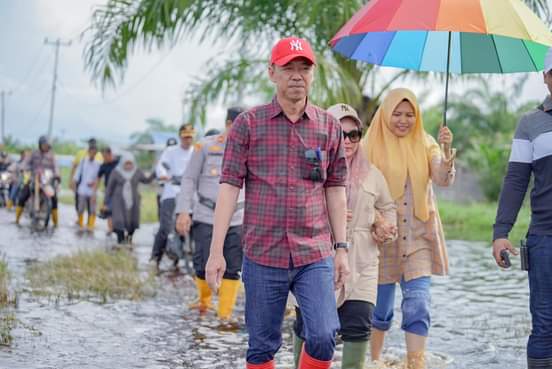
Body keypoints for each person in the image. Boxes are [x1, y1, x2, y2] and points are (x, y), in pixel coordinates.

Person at [205, 37, 350, 369]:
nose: (297, 75)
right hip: (262, 253)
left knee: (324, 334)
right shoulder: (248, 125)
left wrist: (341, 248)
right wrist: (216, 252)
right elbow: (229, 187)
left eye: (304, 68)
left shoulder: (329, 127)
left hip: (313, 252)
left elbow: (336, 188)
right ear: (272, 72)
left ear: (313, 75)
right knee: (261, 346)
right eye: (288, 68)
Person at [292, 103, 397, 369]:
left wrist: (383, 226)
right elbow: (291, 207)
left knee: (359, 324)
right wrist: (326, 212)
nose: (347, 140)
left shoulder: (372, 174)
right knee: (310, 327)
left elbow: (388, 210)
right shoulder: (310, 166)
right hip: (316, 260)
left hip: (362, 262)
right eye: (340, 132)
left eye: (354, 134)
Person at [363, 88, 455, 369]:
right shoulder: (369, 146)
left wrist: (447, 154)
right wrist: (377, 220)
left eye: (410, 115)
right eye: (397, 114)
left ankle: (416, 364)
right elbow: (359, 191)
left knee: (418, 304)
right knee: (380, 311)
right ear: (385, 114)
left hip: (418, 238)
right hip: (379, 240)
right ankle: (375, 361)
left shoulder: (427, 143)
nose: (403, 120)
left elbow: (441, 177)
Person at [492, 49, 552, 369]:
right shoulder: (530, 124)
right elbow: (515, 181)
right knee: (544, 324)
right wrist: (501, 233)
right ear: (546, 78)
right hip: (545, 239)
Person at [175, 107, 245, 320]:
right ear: (229, 124)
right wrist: (183, 211)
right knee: (203, 260)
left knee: (233, 265)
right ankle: (204, 303)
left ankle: (225, 314)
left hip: (237, 217)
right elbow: (189, 179)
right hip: (207, 214)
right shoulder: (204, 147)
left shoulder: (253, 147)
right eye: (239, 126)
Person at [150, 124, 195, 270]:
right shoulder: (170, 152)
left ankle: (189, 259)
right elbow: (160, 166)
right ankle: (155, 258)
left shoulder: (196, 152)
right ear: (180, 137)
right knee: (165, 227)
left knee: (191, 228)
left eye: (190, 137)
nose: (188, 140)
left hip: (189, 195)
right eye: (185, 137)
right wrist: (163, 174)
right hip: (171, 192)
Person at [105, 152, 152, 245]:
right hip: (118, 201)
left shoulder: (137, 171)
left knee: (132, 222)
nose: (128, 166)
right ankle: (120, 242)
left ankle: (129, 239)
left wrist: (155, 173)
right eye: (126, 163)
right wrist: (106, 202)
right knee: (119, 221)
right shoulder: (116, 172)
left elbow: (146, 181)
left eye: (130, 163)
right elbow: (109, 188)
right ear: (122, 163)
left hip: (133, 201)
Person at [16, 135, 60, 226]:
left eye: (47, 145)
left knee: (54, 198)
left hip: (46, 181)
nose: (46, 147)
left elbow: (56, 167)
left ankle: (56, 223)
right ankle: (17, 219)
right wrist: (22, 168)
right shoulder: (33, 154)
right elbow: (25, 163)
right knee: (23, 195)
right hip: (34, 179)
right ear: (40, 144)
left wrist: (57, 175)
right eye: (44, 145)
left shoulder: (52, 156)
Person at [70, 138, 103, 223]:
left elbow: (100, 176)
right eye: (91, 150)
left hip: (92, 189)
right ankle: (80, 224)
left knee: (92, 209)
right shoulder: (83, 159)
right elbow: (76, 171)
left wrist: (95, 184)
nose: (92, 152)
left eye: (94, 151)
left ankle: (90, 226)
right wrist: (73, 182)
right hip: (82, 187)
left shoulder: (98, 161)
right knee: (80, 207)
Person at [98, 146, 120, 233]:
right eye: (103, 156)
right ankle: (110, 230)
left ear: (110, 154)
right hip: (108, 191)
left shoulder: (118, 164)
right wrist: (94, 192)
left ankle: (117, 229)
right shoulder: (103, 165)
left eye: (105, 156)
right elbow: (98, 178)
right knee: (108, 211)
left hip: (118, 191)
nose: (104, 158)